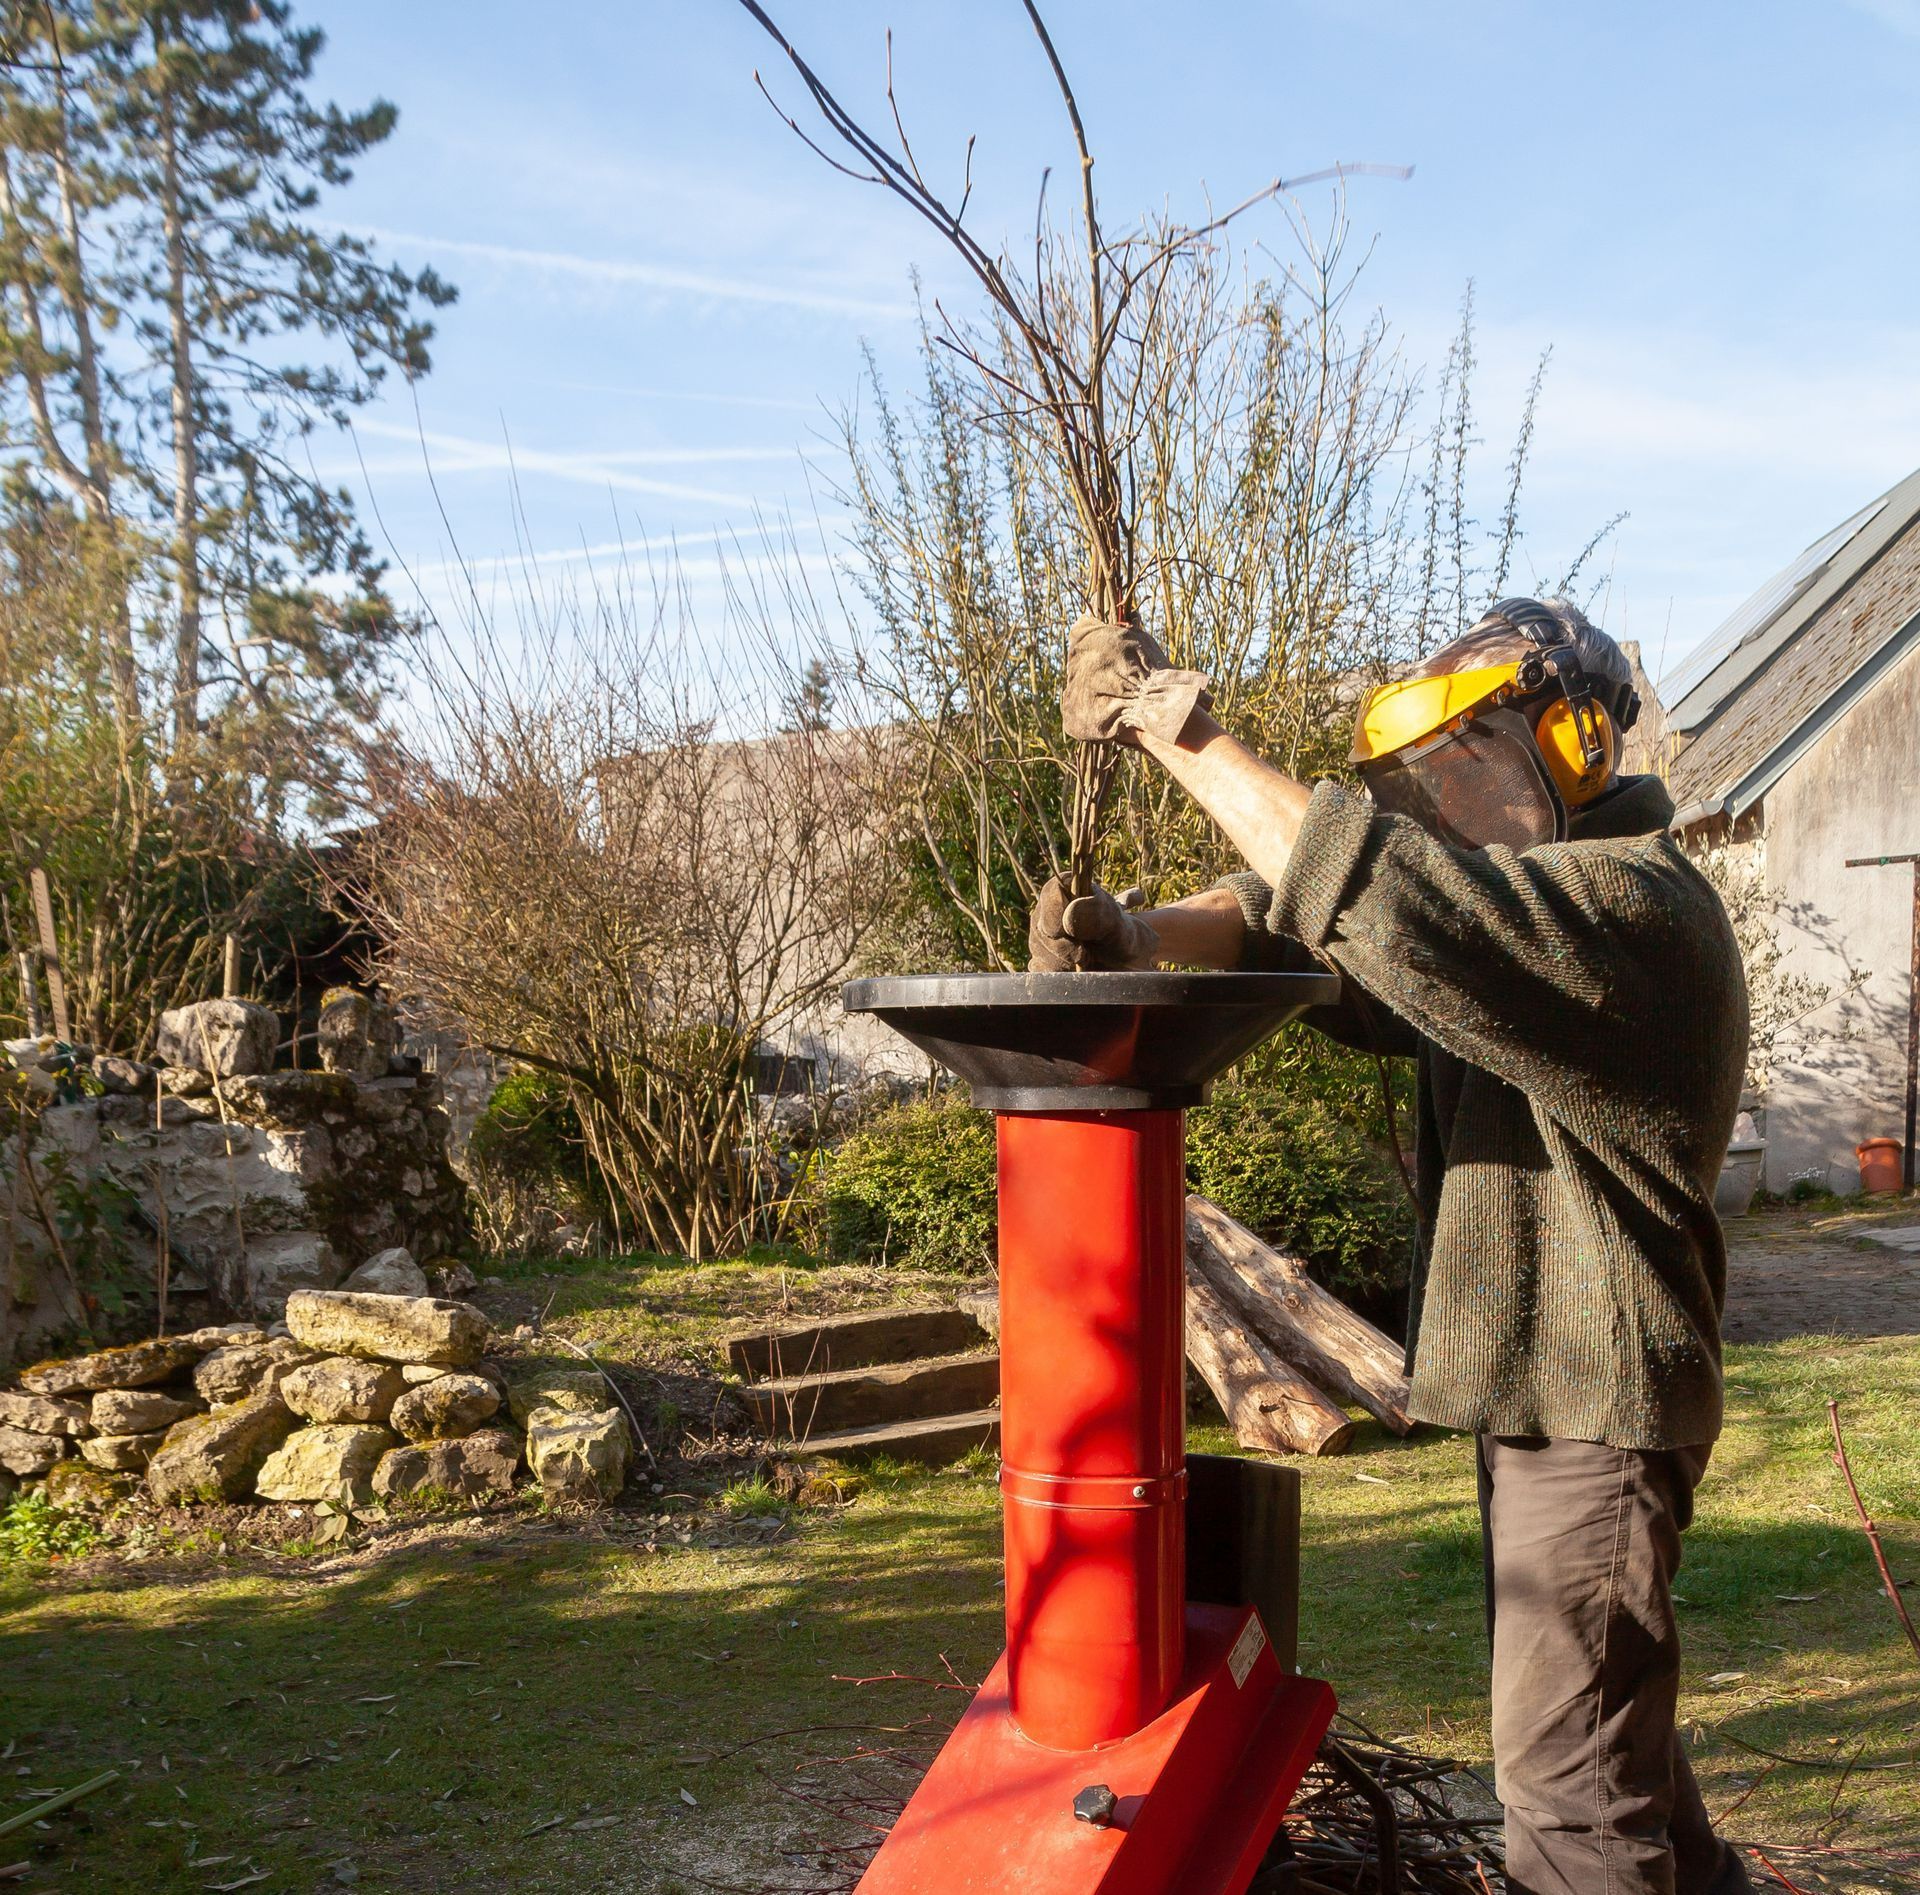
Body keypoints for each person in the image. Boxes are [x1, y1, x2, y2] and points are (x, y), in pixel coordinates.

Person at [1031, 597, 1754, 1895]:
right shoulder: (1523, 926)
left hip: (1593, 1405)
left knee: (1572, 1800)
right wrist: (1142, 934)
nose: (1440, 799)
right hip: (1556, 1397)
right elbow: (1304, 922)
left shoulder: (1631, 905)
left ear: (1575, 741)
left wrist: (1179, 731)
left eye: (1462, 763)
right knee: (1610, 1743)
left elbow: (1382, 894)